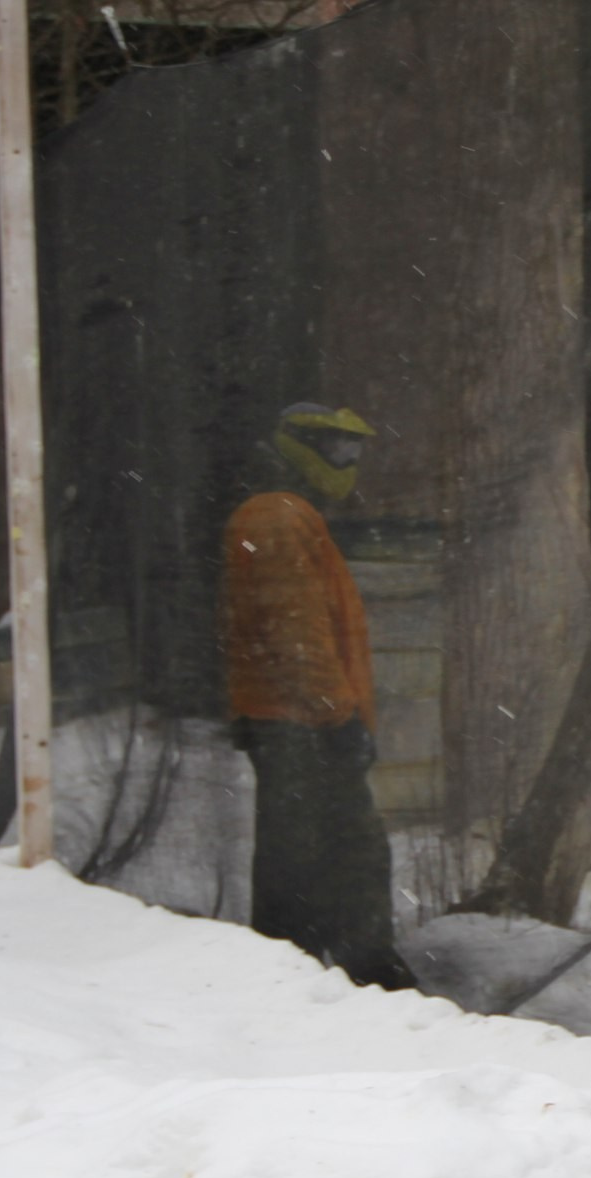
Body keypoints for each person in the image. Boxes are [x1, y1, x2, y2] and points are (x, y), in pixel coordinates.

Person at [220, 402, 414, 990]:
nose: (349, 463)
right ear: (301, 447)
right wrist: (337, 715)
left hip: (298, 721)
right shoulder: (276, 517)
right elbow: (295, 632)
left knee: (308, 856)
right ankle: (355, 981)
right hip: (300, 724)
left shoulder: (284, 511)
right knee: (333, 858)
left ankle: (328, 979)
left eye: (354, 451)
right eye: (338, 449)